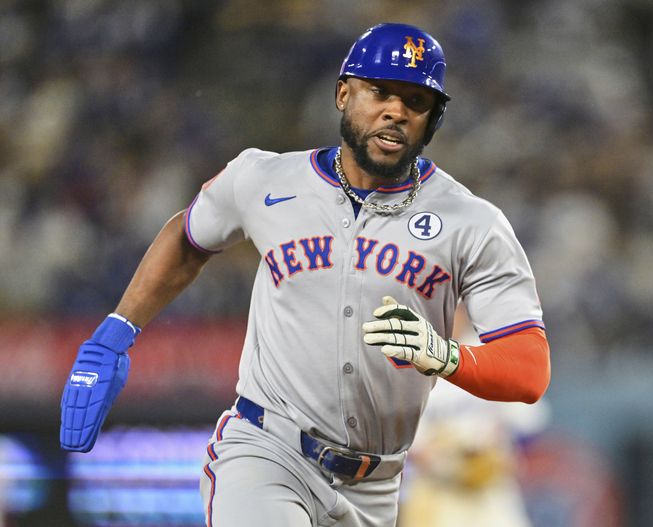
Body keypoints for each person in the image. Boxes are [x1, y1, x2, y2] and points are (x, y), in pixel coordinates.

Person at [60, 22, 551, 527]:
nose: (396, 111)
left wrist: (445, 355)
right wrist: (117, 331)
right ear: (343, 93)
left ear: (434, 119)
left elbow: (529, 369)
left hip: (375, 487)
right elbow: (188, 238)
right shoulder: (263, 178)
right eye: (380, 91)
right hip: (267, 450)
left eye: (416, 101)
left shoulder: (473, 222)